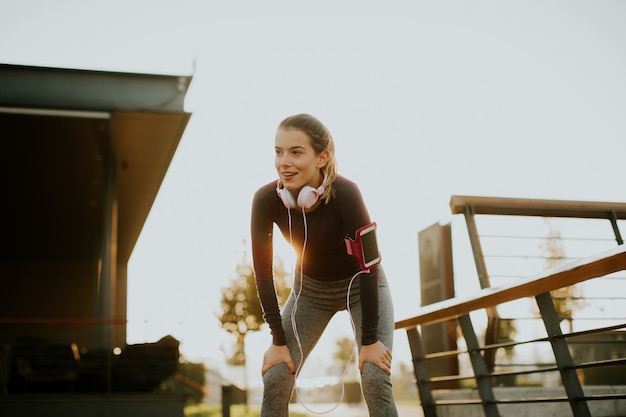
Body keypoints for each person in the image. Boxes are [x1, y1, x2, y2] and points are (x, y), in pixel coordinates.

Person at [250, 113, 398, 416]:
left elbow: (369, 267)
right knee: (276, 374)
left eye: (296, 151)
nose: (283, 162)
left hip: (361, 285)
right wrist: (278, 341)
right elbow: (263, 275)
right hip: (310, 292)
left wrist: (369, 341)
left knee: (374, 373)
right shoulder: (266, 200)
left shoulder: (347, 193)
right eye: (278, 151)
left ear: (322, 157)